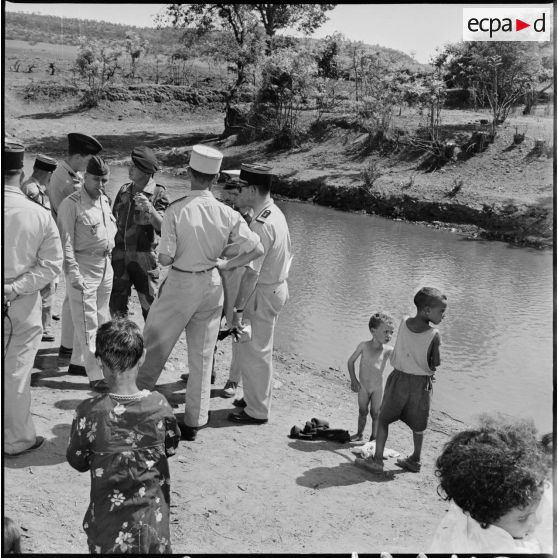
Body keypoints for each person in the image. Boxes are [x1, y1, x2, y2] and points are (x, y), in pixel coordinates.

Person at [136, 145, 263, 441]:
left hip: (181, 282)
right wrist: (228, 262)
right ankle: (195, 420)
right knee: (203, 356)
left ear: (190, 173)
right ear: (216, 177)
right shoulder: (226, 213)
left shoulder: (177, 209)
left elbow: (165, 259)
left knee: (153, 346)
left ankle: (137, 407)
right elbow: (256, 248)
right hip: (211, 283)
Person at [67, 319, 180, 554]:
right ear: (142, 358)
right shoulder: (160, 406)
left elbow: (77, 460)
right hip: (151, 523)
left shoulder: (89, 412)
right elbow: (169, 447)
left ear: (99, 361)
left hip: (107, 526)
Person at [3, 140, 63, 456]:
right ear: (22, 171)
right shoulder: (38, 214)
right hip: (20, 303)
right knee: (15, 373)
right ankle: (15, 440)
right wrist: (16, 287)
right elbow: (52, 264)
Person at [227, 163, 293, 425]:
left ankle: (257, 410)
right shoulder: (272, 212)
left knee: (256, 351)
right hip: (274, 288)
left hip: (262, 291)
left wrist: (238, 308)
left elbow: (252, 272)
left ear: (253, 189)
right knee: (256, 348)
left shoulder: (262, 224)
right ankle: (254, 397)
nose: (237, 192)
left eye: (241, 188)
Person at [357, 287, 447, 473]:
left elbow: (404, 347)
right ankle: (415, 460)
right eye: (442, 311)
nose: (443, 315)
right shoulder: (434, 335)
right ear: (427, 311)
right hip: (420, 385)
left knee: (383, 419)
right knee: (419, 425)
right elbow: (435, 363)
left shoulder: (404, 322)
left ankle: (377, 460)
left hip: (398, 380)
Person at [429, 416, 550, 553]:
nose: (537, 521)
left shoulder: (470, 505)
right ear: (482, 517)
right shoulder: (501, 548)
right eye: (522, 518)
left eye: (536, 510)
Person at [57, 156, 117, 391]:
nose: (101, 185)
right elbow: (66, 243)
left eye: (105, 180)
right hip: (83, 267)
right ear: (85, 177)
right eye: (96, 179)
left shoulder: (104, 200)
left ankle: (78, 363)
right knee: (87, 322)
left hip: (105, 266)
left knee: (103, 320)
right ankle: (95, 376)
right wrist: (73, 274)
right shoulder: (71, 204)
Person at [47, 133, 103, 362]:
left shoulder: (69, 173)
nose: (90, 163)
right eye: (89, 158)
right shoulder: (67, 181)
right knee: (78, 299)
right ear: (79, 156)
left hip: (71, 242)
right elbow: (79, 214)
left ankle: (67, 346)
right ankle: (74, 352)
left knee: (72, 299)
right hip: (75, 245)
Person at [110, 146, 170, 320]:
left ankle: (152, 346)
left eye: (133, 166)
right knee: (117, 306)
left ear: (145, 171)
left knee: (150, 308)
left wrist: (149, 208)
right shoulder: (124, 190)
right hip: (120, 256)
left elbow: (164, 228)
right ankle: (121, 345)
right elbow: (113, 221)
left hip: (145, 259)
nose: (129, 169)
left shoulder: (159, 193)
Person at [20, 154, 59, 342]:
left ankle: (43, 323)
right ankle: (45, 328)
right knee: (46, 285)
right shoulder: (33, 190)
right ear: (48, 173)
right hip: (37, 248)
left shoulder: (31, 186)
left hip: (33, 247)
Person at [347, 312, 394, 442]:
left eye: (391, 332)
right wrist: (353, 380)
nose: (389, 336)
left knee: (376, 414)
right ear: (373, 331)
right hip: (363, 387)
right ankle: (359, 434)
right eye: (385, 332)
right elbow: (351, 361)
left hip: (378, 388)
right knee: (362, 412)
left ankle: (373, 438)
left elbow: (400, 362)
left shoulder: (388, 350)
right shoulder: (364, 346)